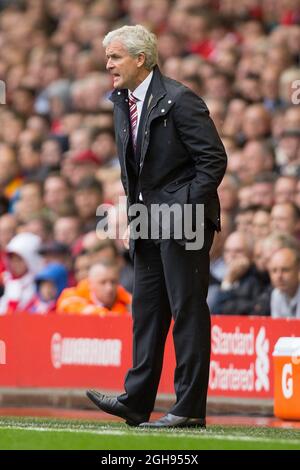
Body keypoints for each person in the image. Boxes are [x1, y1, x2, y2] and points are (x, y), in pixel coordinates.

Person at [86, 25, 227, 428]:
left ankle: (187, 409)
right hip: (147, 222)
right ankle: (137, 400)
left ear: (140, 59)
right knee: (146, 311)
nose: (108, 63)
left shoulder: (181, 100)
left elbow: (214, 161)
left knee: (186, 311)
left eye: (114, 57)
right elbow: (135, 170)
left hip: (184, 223)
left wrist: (183, 208)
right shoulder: (121, 101)